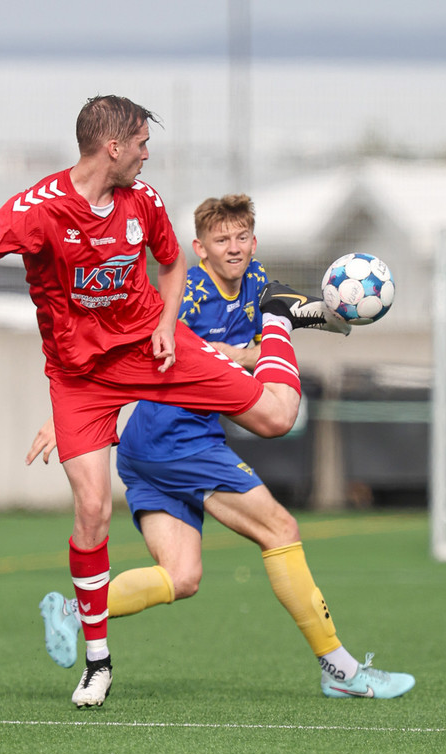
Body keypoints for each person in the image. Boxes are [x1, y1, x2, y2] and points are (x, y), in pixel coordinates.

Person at [0, 95, 348, 708]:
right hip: (81, 380)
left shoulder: (143, 200)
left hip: (154, 350)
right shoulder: (38, 210)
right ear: (113, 147)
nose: (148, 154)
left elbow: (171, 264)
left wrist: (166, 323)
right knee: (91, 509)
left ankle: (278, 318)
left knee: (276, 416)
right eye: (141, 143)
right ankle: (98, 662)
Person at [31, 194, 415, 700]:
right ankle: (340, 670)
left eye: (241, 237)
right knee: (281, 528)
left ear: (254, 243)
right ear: (201, 249)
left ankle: (73, 609)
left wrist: (337, 313)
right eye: (221, 239)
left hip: (153, 448)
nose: (233, 248)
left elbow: (294, 318)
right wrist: (68, 415)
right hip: (175, 439)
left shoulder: (258, 283)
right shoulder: (186, 295)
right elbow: (133, 350)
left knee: (181, 576)